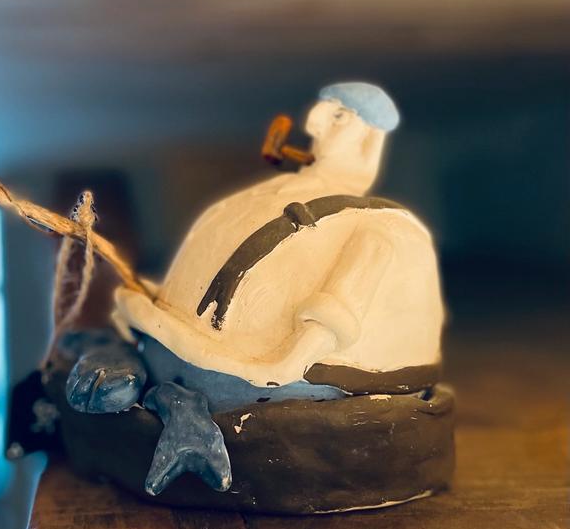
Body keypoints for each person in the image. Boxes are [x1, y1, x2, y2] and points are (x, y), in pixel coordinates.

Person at [67, 82, 446, 496]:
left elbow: (336, 312)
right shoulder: (271, 194)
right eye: (323, 112)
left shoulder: (384, 227)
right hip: (173, 342)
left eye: (339, 117)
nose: (315, 124)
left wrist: (283, 366)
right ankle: (156, 397)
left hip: (263, 378)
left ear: (369, 139)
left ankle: (175, 413)